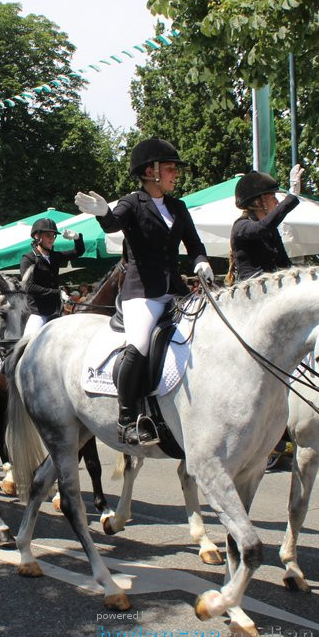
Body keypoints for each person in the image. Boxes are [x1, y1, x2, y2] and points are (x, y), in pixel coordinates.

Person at [75, 137, 212, 446]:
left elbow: (194, 244)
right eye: (171, 169)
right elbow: (113, 225)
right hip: (142, 293)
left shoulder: (178, 206)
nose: (176, 174)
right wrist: (102, 213)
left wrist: (201, 261)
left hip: (176, 291)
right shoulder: (133, 202)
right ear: (152, 171)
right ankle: (126, 419)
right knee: (138, 345)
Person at [227, 167, 302, 283]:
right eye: (273, 197)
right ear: (258, 202)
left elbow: (285, 264)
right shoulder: (240, 226)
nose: (277, 202)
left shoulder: (272, 231)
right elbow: (262, 227)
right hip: (250, 295)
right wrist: (291, 197)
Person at [19, 217, 84, 339]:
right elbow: (29, 287)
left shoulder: (54, 256)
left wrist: (77, 238)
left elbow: (78, 251)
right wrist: (57, 292)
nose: (52, 239)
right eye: (48, 235)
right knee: (26, 344)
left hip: (56, 311)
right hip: (38, 313)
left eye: (54, 236)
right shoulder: (28, 259)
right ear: (37, 236)